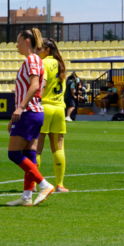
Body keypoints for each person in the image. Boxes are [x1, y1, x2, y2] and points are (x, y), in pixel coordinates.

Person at [5, 28, 55, 207]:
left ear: (27, 41)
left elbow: (34, 86)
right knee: (29, 153)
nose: (16, 45)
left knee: (13, 154)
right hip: (34, 112)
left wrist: (20, 107)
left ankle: (44, 184)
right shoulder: (36, 60)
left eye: (18, 41)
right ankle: (26, 197)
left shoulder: (32, 59)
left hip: (29, 112)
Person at [36, 39, 69, 192]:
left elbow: (38, 86)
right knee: (58, 148)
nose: (36, 51)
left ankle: (34, 184)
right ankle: (60, 184)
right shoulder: (61, 64)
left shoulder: (43, 63)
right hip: (59, 109)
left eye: (39, 48)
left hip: (44, 107)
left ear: (47, 49)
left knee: (36, 148)